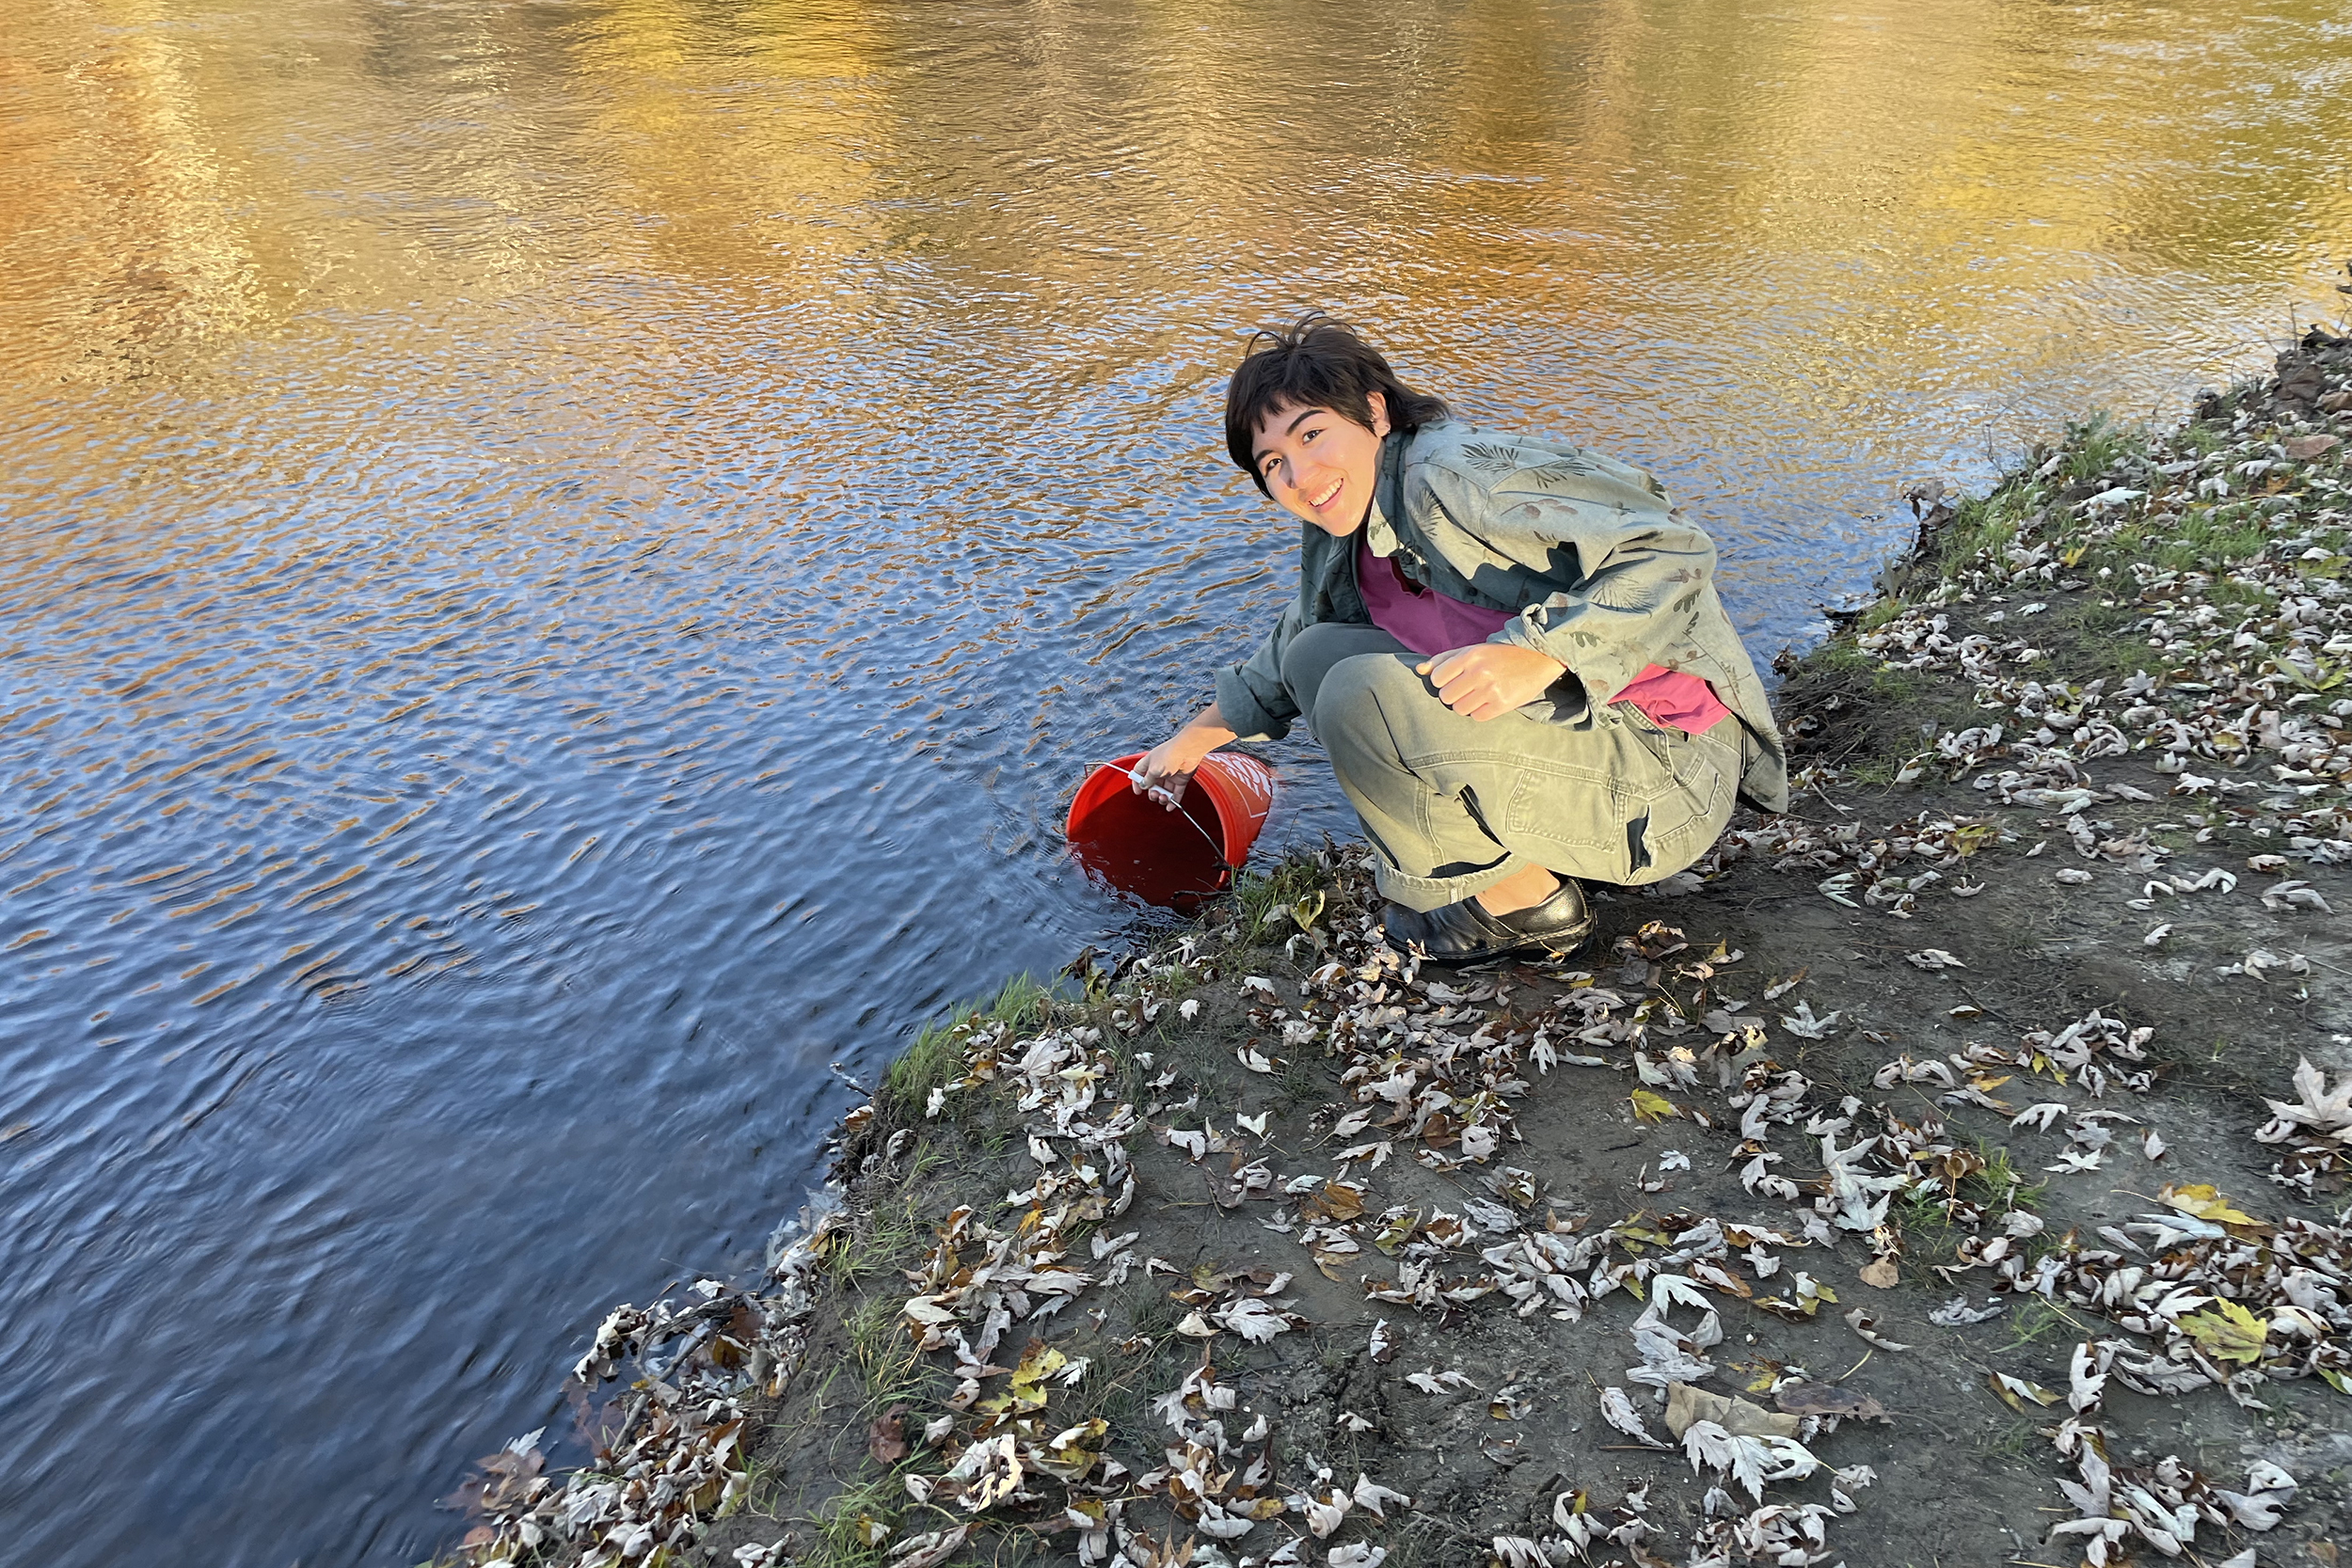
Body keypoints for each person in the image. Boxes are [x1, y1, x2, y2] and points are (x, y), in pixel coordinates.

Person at [1131, 315, 1787, 964]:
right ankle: (1522, 858)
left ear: (1375, 412)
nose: (1300, 474)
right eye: (1275, 462)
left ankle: (1529, 904)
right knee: (1315, 658)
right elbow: (1294, 641)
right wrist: (1196, 738)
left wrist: (1543, 653)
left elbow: (1673, 545)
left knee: (1360, 699)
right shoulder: (1350, 515)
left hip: (1666, 772)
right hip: (1583, 745)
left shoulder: (1452, 478)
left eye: (1312, 434)